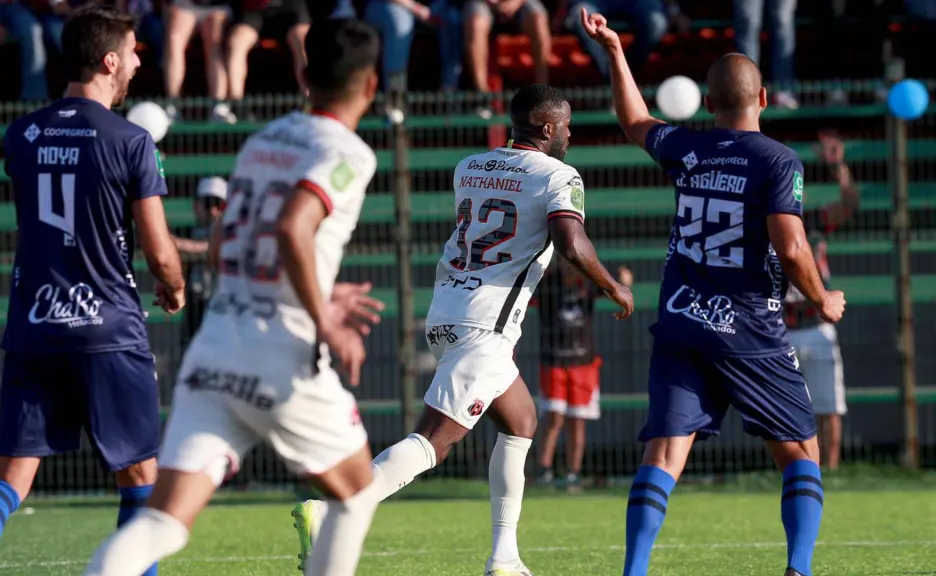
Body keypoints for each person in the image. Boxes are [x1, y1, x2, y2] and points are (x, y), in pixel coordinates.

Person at [82, 18, 385, 576]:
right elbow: (293, 228)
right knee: (357, 493)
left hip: (216, 345)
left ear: (301, 74)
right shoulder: (351, 153)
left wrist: (316, 287)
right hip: (280, 354)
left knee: (163, 523)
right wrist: (326, 319)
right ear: (371, 86)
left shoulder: (263, 140)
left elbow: (224, 248)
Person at [293, 83, 635, 576]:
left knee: (520, 421)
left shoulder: (469, 167)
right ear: (546, 128)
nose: (569, 134)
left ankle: (505, 557)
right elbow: (571, 242)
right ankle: (332, 511)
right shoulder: (560, 175)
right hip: (486, 324)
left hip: (450, 308)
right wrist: (611, 287)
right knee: (436, 440)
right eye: (566, 126)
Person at [580, 11, 846, 576]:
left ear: (708, 103)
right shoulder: (777, 159)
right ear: (765, 98)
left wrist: (615, 51)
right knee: (801, 452)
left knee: (666, 453)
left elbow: (633, 120)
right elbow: (792, 246)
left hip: (682, 322)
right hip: (749, 329)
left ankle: (635, 571)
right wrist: (823, 300)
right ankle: (798, 570)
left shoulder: (688, 148)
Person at [0, 7, 185, 576]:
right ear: (109, 61)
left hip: (35, 324)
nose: (136, 61)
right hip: (109, 329)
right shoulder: (131, 141)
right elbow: (157, 250)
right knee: (138, 479)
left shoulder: (21, 135)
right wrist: (173, 285)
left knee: (11, 473)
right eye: (131, 52)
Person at [785, 130, 859, 470]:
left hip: (816, 323)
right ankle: (799, 468)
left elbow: (849, 205)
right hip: (780, 326)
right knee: (783, 404)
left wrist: (839, 166)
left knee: (829, 403)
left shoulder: (814, 220)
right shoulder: (762, 225)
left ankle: (831, 469)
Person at [533, 257, 632, 492]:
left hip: (583, 363)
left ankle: (572, 474)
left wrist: (624, 279)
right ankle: (543, 471)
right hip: (553, 360)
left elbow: (616, 283)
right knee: (553, 416)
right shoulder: (547, 282)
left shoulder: (588, 282)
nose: (570, 264)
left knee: (577, 420)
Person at [172, 176, 227, 345]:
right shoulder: (186, 231)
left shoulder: (232, 234)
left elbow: (215, 249)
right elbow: (169, 246)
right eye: (208, 204)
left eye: (219, 205)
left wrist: (191, 248)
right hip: (196, 309)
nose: (213, 211)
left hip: (224, 308)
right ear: (196, 206)